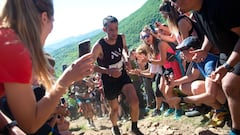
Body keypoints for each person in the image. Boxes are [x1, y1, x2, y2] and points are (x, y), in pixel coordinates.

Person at [0, 0, 94, 134]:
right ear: (44, 18)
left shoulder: (5, 39)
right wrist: (66, 79)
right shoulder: (14, 48)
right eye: (52, 23)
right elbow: (30, 124)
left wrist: (8, 126)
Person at [172, 0, 240, 134]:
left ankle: (236, 129)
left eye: (175, 0)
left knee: (228, 84)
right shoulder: (198, 12)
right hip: (226, 53)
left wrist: (227, 65)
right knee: (219, 82)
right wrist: (204, 50)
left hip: (235, 51)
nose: (174, 5)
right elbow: (210, 33)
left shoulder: (220, 5)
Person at [91, 15, 144, 135]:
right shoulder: (99, 46)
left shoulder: (121, 37)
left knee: (134, 101)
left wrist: (126, 59)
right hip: (108, 79)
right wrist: (108, 72)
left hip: (122, 74)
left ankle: (134, 127)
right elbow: (91, 66)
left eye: (116, 28)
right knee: (114, 109)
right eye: (111, 30)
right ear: (104, 30)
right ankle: (115, 127)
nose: (114, 32)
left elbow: (124, 49)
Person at [168, 36, 228, 127]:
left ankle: (222, 110)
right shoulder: (198, 59)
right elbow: (193, 75)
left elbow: (210, 95)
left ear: (191, 50)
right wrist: (175, 83)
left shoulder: (208, 64)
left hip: (226, 96)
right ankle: (218, 108)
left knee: (197, 87)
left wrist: (181, 100)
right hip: (220, 92)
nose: (181, 54)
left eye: (182, 51)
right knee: (184, 86)